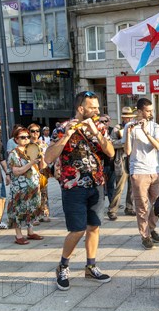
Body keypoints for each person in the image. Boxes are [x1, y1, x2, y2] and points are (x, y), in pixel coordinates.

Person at [45, 91, 115, 291]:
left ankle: (91, 266)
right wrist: (66, 135)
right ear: (81, 109)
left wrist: (96, 132)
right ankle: (63, 266)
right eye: (92, 107)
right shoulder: (61, 129)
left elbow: (110, 152)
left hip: (96, 183)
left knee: (94, 226)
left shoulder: (100, 126)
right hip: (72, 186)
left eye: (97, 107)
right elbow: (49, 157)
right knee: (77, 230)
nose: (97, 110)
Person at [124, 98, 159, 249]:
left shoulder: (155, 126)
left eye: (151, 110)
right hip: (139, 171)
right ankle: (145, 236)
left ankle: (151, 228)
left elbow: (158, 146)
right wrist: (128, 132)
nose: (150, 113)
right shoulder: (129, 126)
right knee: (142, 207)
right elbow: (127, 151)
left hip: (155, 170)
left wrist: (146, 132)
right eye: (147, 111)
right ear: (139, 111)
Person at [7, 127, 44, 245]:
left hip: (33, 185)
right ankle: (18, 235)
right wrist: (32, 163)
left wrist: (41, 158)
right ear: (16, 139)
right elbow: (17, 171)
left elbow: (42, 167)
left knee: (32, 207)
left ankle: (30, 231)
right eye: (23, 137)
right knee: (18, 209)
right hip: (20, 187)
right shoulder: (14, 153)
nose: (26, 139)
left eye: (27, 137)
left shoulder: (32, 150)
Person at [108, 107, 137, 220]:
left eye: (130, 117)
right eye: (126, 117)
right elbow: (111, 143)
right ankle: (112, 210)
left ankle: (129, 208)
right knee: (119, 186)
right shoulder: (117, 128)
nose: (129, 119)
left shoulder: (135, 127)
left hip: (133, 159)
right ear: (123, 118)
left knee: (132, 186)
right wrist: (123, 142)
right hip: (122, 159)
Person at [28, 123, 50, 224]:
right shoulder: (26, 145)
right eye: (33, 131)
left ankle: (44, 213)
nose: (35, 133)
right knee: (33, 194)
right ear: (29, 132)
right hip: (31, 172)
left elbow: (48, 157)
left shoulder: (43, 144)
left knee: (44, 193)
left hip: (43, 171)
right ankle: (34, 216)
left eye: (37, 131)